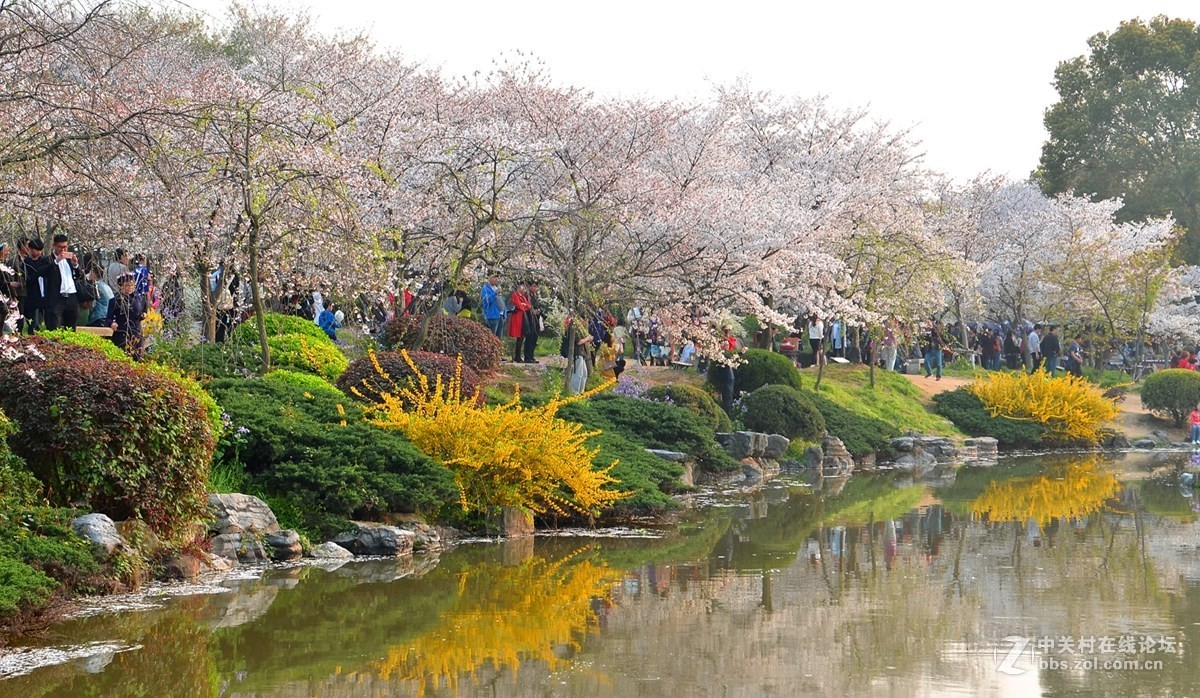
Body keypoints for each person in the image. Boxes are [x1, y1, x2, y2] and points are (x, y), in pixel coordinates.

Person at [40, 233, 83, 331]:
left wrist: (75, 265)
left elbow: (80, 276)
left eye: (65, 247)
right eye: (60, 247)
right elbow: (42, 272)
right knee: (54, 326)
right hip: (56, 298)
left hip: (72, 296)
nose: (62, 250)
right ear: (54, 246)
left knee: (71, 327)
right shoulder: (48, 260)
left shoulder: (69, 259)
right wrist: (56, 261)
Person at [106, 272, 146, 358]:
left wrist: (143, 315)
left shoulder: (137, 298)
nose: (130, 287)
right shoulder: (115, 300)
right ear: (121, 286)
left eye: (132, 285)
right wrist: (112, 323)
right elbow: (108, 318)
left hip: (136, 332)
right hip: (122, 333)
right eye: (127, 285)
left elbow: (141, 310)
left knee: (137, 357)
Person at [507, 281, 531, 362]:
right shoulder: (515, 295)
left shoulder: (523, 296)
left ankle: (518, 356)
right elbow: (519, 306)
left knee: (521, 337)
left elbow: (528, 306)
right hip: (517, 317)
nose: (524, 288)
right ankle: (517, 356)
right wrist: (523, 305)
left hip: (522, 317)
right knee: (519, 336)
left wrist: (524, 305)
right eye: (522, 286)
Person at [522, 281, 542, 364]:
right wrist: (532, 311)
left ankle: (531, 355)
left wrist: (539, 311)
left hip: (536, 318)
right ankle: (527, 356)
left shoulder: (536, 296)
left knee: (534, 337)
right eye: (533, 286)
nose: (535, 288)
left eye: (536, 287)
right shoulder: (527, 296)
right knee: (529, 337)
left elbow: (539, 305)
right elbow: (526, 306)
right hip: (529, 318)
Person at [480, 273, 504, 337]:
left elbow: (502, 300)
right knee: (492, 336)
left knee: (499, 337)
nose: (496, 279)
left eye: (497, 277)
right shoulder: (485, 289)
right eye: (494, 277)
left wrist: (505, 313)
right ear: (489, 278)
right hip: (492, 316)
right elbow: (487, 300)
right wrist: (495, 293)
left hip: (500, 315)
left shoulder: (497, 288)